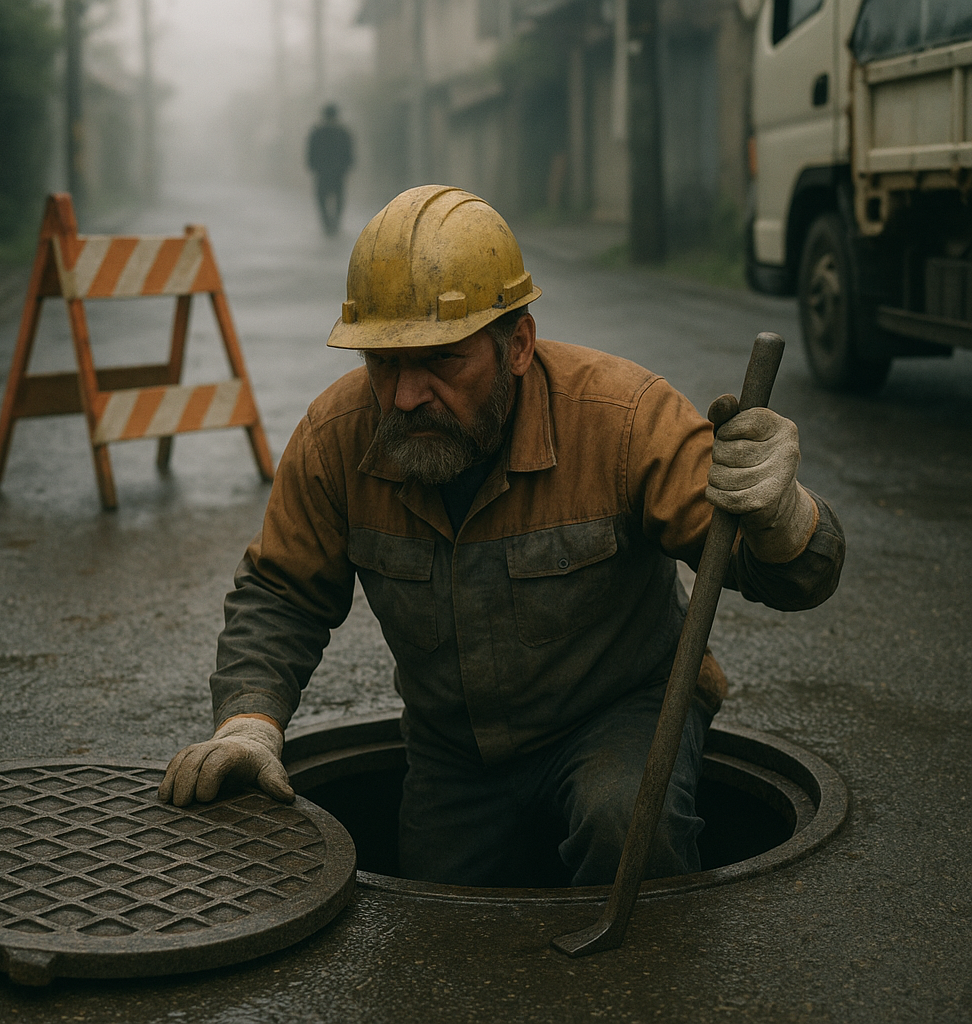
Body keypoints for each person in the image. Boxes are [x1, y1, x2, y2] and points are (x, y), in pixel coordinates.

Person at [160, 185, 844, 888]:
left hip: (620, 714)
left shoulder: (623, 420)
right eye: (385, 361)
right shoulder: (338, 438)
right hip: (453, 749)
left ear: (517, 344)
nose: (404, 395)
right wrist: (248, 723)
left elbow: (790, 574)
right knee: (431, 913)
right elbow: (282, 595)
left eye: (442, 360)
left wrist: (783, 517)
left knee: (626, 831)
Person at [306, 103, 354, 235]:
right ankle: (335, 223)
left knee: (321, 198)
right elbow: (349, 152)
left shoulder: (317, 132)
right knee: (339, 198)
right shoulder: (342, 132)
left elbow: (311, 152)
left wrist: (313, 167)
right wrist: (347, 167)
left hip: (322, 172)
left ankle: (327, 223)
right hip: (338, 172)